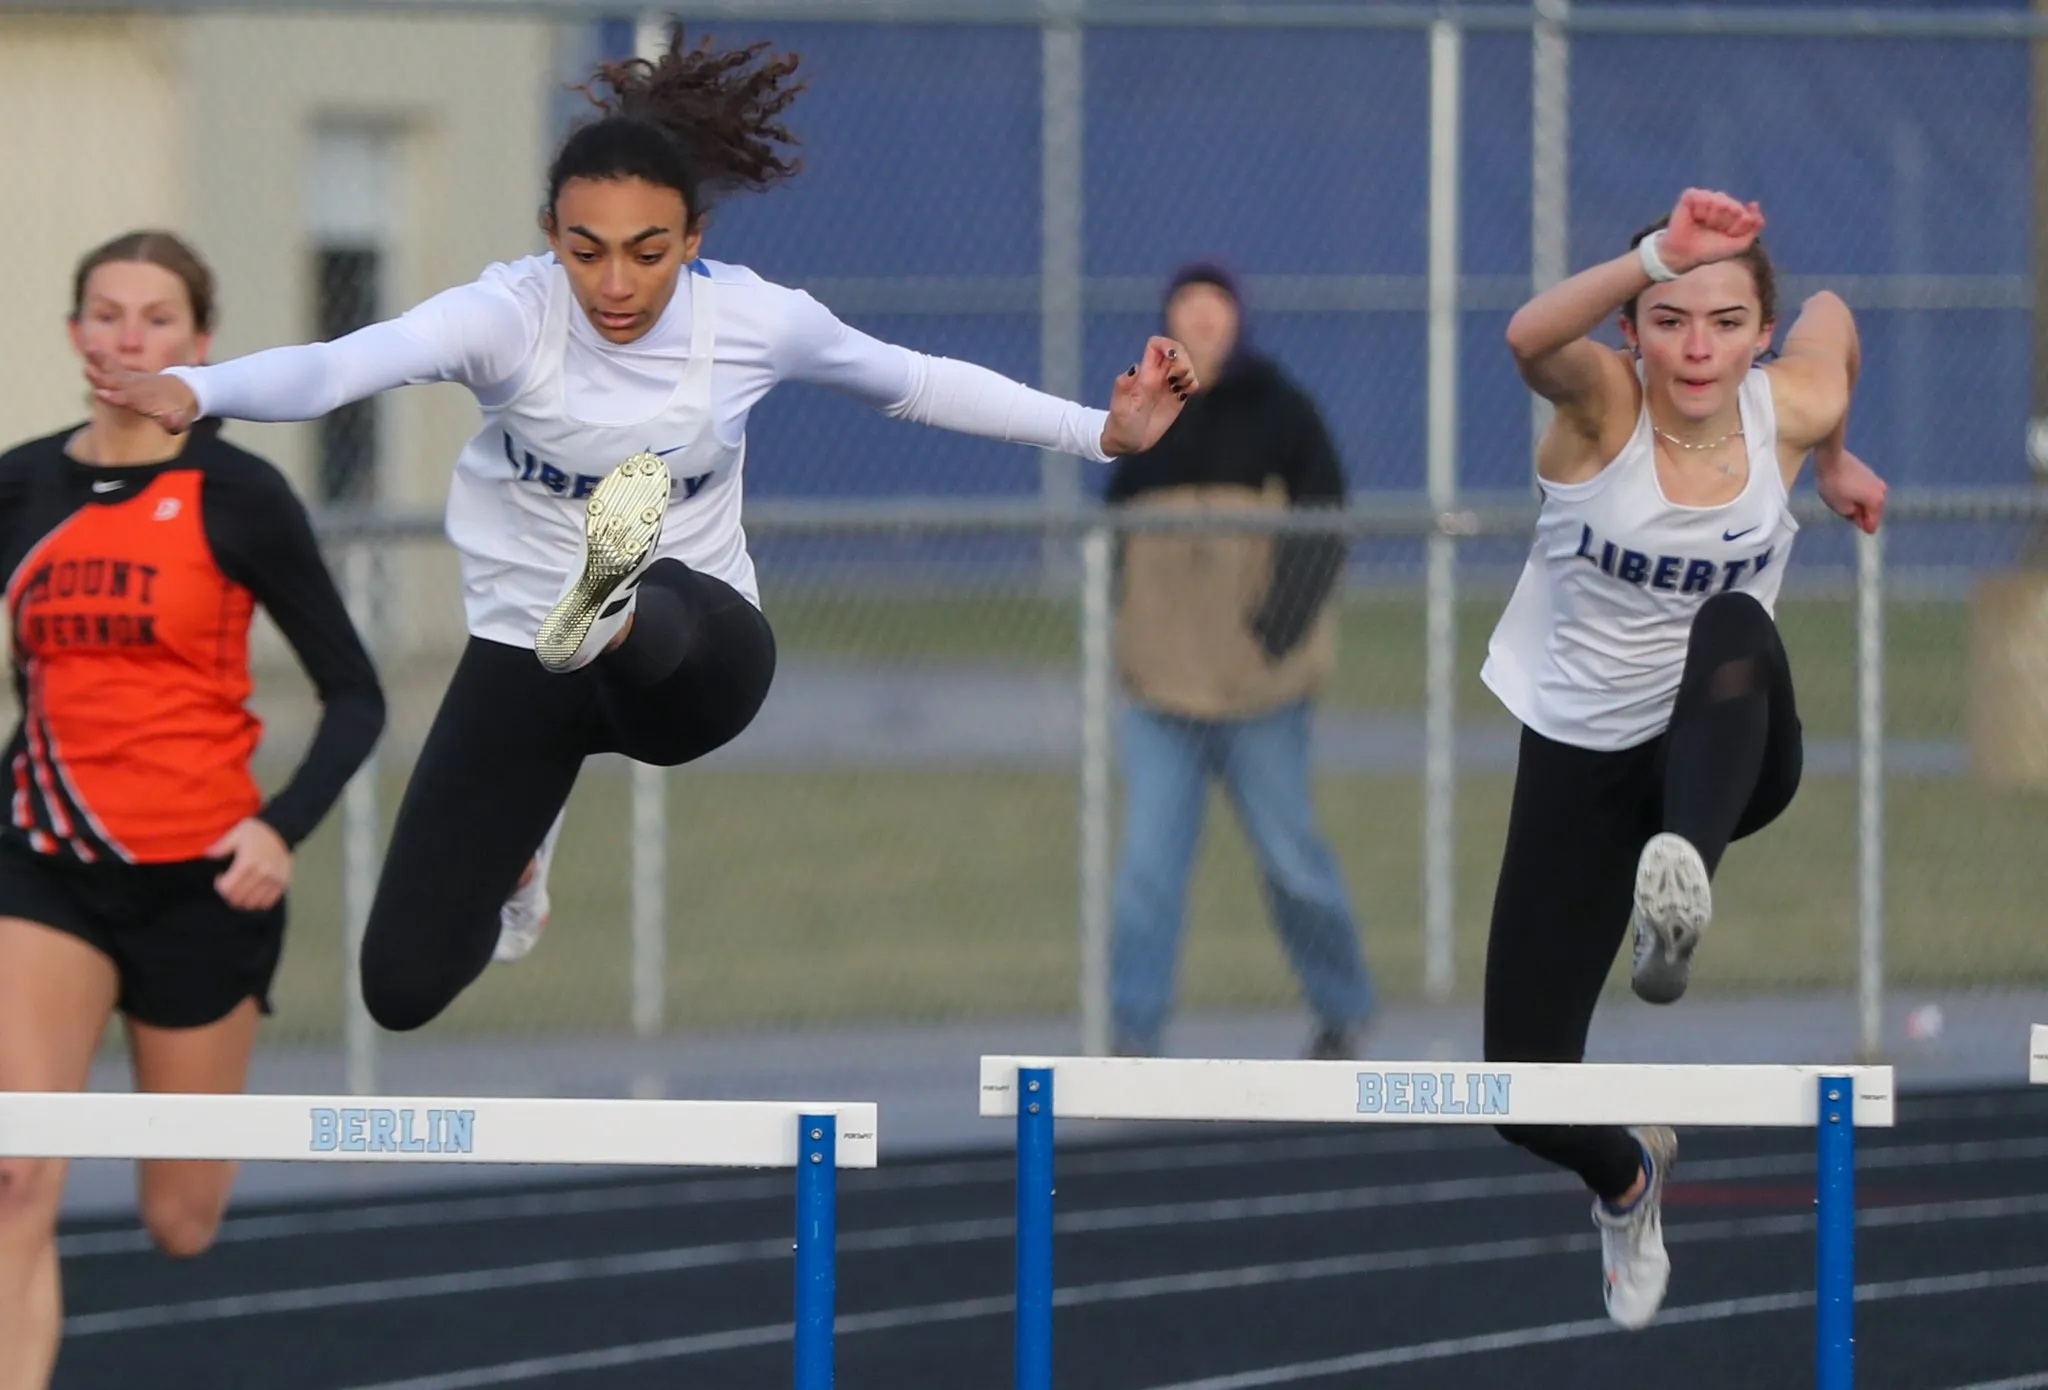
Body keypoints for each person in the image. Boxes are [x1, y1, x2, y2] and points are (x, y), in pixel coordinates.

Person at [87, 28, 1193, 1033]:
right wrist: (199, 382)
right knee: (404, 985)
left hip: (694, 656)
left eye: (648, 252)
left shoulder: (755, 319)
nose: (615, 284)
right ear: (549, 237)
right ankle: (527, 831)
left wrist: (1101, 430)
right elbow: (339, 366)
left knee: (659, 607)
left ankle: (611, 615)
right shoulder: (506, 316)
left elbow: (912, 382)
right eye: (586, 250)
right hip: (526, 652)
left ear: (693, 238)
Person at [1482, 187, 1889, 1330]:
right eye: (1667, 320)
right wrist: (1654, 253)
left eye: (1720, 322)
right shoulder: (1600, 408)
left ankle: (1682, 885)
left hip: (1724, 754)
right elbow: (1525, 336)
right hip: (1582, 763)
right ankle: (1626, 1177)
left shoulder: (1790, 404)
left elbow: (1836, 315)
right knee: (1515, 1091)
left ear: (1758, 335)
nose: (1695, 349)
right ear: (1631, 333)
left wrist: (1837, 464)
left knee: (1734, 626)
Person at [0, 231, 385, 1386]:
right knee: (18, 1175)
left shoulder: (239, 494)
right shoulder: (19, 484)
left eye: (156, 318)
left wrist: (280, 827)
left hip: (201, 882)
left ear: (199, 344)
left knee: (180, 1217)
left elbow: (356, 696)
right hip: (39, 866)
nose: (128, 338)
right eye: (107, 315)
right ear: (74, 334)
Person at [1103, 262, 1373, 1060]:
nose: (1204, 321)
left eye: (1217, 309)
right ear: (1169, 322)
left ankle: (1342, 1013)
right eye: (1188, 308)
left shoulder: (1282, 410)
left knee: (1294, 861)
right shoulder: (1144, 415)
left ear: (1237, 320)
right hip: (1162, 689)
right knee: (1146, 871)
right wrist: (1135, 631)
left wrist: (1277, 629)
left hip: (1263, 688)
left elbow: (1325, 523)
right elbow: (1117, 535)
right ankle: (1135, 1031)